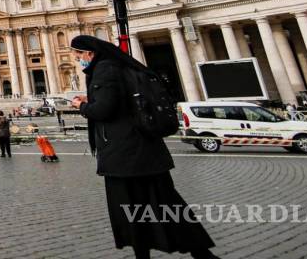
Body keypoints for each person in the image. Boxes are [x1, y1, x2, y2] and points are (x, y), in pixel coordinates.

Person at [70, 35, 218, 259]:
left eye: (79, 54)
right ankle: (202, 252)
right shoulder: (122, 67)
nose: (77, 58)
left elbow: (104, 111)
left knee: (130, 210)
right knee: (166, 204)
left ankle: (144, 255)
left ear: (90, 53)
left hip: (125, 155)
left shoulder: (104, 69)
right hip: (147, 151)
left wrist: (82, 105)